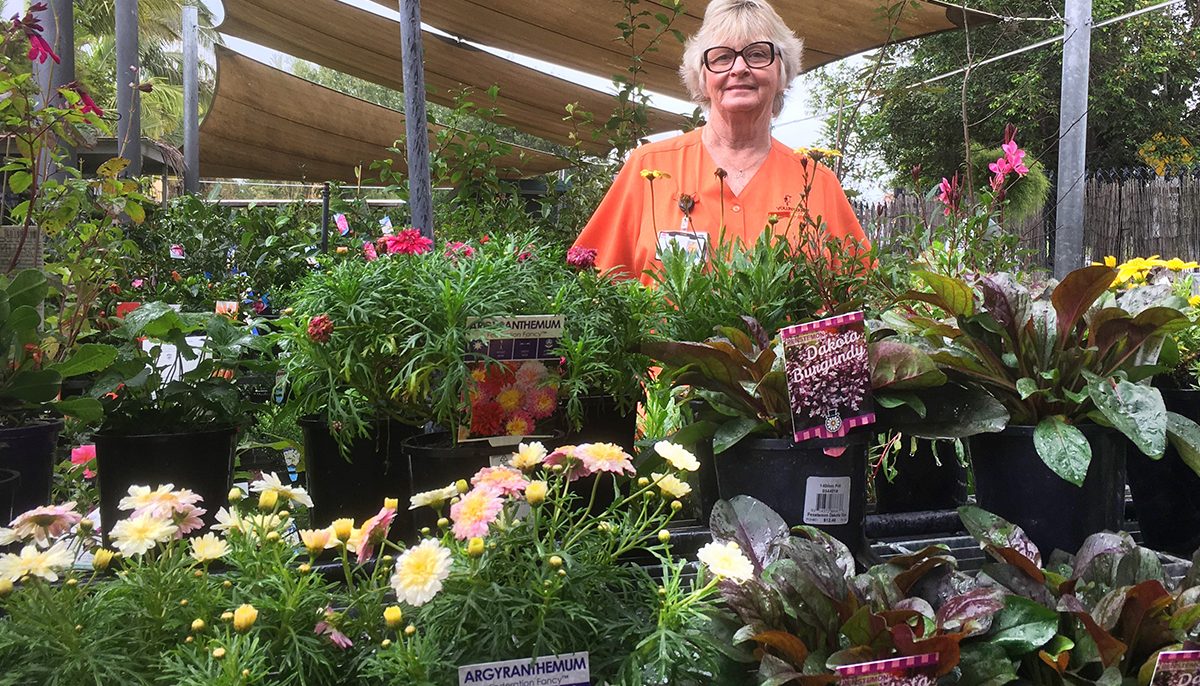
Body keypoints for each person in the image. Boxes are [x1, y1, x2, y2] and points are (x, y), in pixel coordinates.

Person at [573, 0, 869, 284]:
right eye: (722, 57)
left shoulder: (817, 182)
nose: (739, 68)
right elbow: (595, 289)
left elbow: (861, 299)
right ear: (702, 77)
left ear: (782, 72)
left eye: (756, 54)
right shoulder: (647, 168)